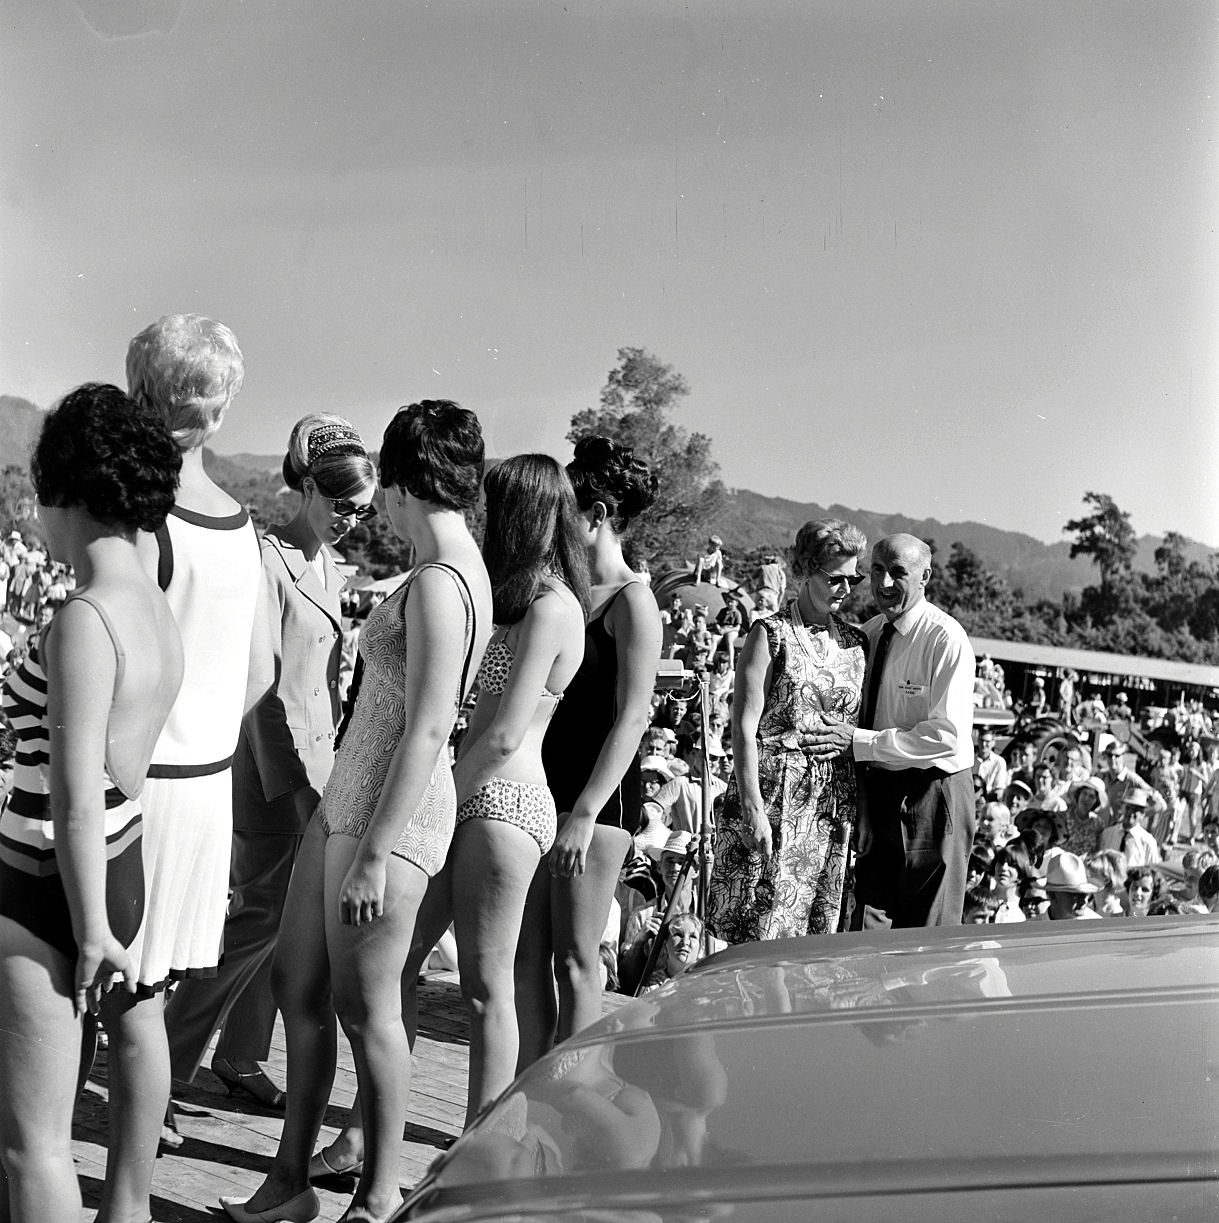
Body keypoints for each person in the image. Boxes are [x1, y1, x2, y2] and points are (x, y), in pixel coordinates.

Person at [224, 401, 492, 1223]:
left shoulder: (445, 581)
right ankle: (291, 1177)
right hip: (349, 800)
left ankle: (377, 1197)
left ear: (406, 484)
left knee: (367, 1009)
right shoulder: (439, 568)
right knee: (296, 980)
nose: (373, 505)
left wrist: (375, 851)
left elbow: (427, 727)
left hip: (389, 816)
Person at [0, 385, 184, 1223]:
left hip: (49, 882)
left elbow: (73, 799)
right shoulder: (153, 606)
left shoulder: (85, 617)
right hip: (119, 865)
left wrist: (90, 935)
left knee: (32, 1144)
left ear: (67, 494)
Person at [163, 415, 376, 1108]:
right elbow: (261, 687)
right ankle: (163, 1063)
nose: (351, 519)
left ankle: (240, 1053)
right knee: (254, 922)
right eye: (341, 503)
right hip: (271, 769)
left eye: (362, 509)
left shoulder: (328, 566)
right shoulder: (266, 558)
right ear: (307, 486)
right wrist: (292, 791)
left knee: (278, 924)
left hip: (318, 767)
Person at [124, 315, 266, 1171]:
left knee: (92, 1001)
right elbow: (257, 673)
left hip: (137, 783)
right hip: (207, 786)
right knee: (148, 1002)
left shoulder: (145, 516)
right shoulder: (242, 524)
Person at [516, 437, 662, 1068]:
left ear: (597, 514)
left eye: (569, 506)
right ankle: (523, 1090)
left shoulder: (635, 601)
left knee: (576, 958)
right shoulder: (564, 593)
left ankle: (571, 1101)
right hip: (538, 790)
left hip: (596, 806)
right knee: (526, 956)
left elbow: (632, 718)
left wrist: (583, 812)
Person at [707, 518, 868, 942]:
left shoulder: (857, 642)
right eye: (835, 578)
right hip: (776, 794)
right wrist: (752, 809)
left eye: (854, 578)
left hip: (833, 804)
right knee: (764, 932)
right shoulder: (770, 633)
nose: (845, 589)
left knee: (815, 937)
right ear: (805, 571)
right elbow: (743, 728)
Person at [811, 534, 976, 929]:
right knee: (867, 923)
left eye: (898, 572)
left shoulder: (944, 639)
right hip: (880, 791)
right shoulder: (867, 634)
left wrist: (859, 743)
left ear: (925, 577)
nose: (884, 584)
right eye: (878, 571)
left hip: (934, 794)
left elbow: (945, 736)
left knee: (926, 932)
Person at [1098, 791, 1162, 869]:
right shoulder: (1107, 834)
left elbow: (1153, 870)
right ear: (1122, 809)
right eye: (1128, 808)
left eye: (1136, 810)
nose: (1130, 813)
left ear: (1142, 814)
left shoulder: (1148, 841)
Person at [1044, 852, 1101, 920]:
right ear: (1052, 895)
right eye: (1075, 894)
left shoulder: (1099, 926)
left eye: (1085, 894)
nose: (1084, 901)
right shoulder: (1031, 928)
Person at [972, 728, 1008, 801]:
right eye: (982, 740)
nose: (984, 744)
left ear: (993, 743)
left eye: (987, 741)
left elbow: (999, 789)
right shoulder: (970, 759)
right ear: (978, 741)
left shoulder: (999, 762)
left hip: (989, 800)